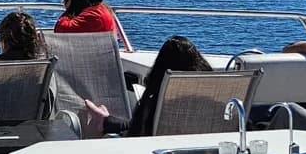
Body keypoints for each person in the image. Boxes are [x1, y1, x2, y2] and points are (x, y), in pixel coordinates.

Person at [82, 35, 212, 136]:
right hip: (206, 149)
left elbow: (137, 134)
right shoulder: (211, 96)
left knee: (134, 123)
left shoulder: (159, 101)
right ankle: (105, 120)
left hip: (162, 151)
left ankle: (104, 120)